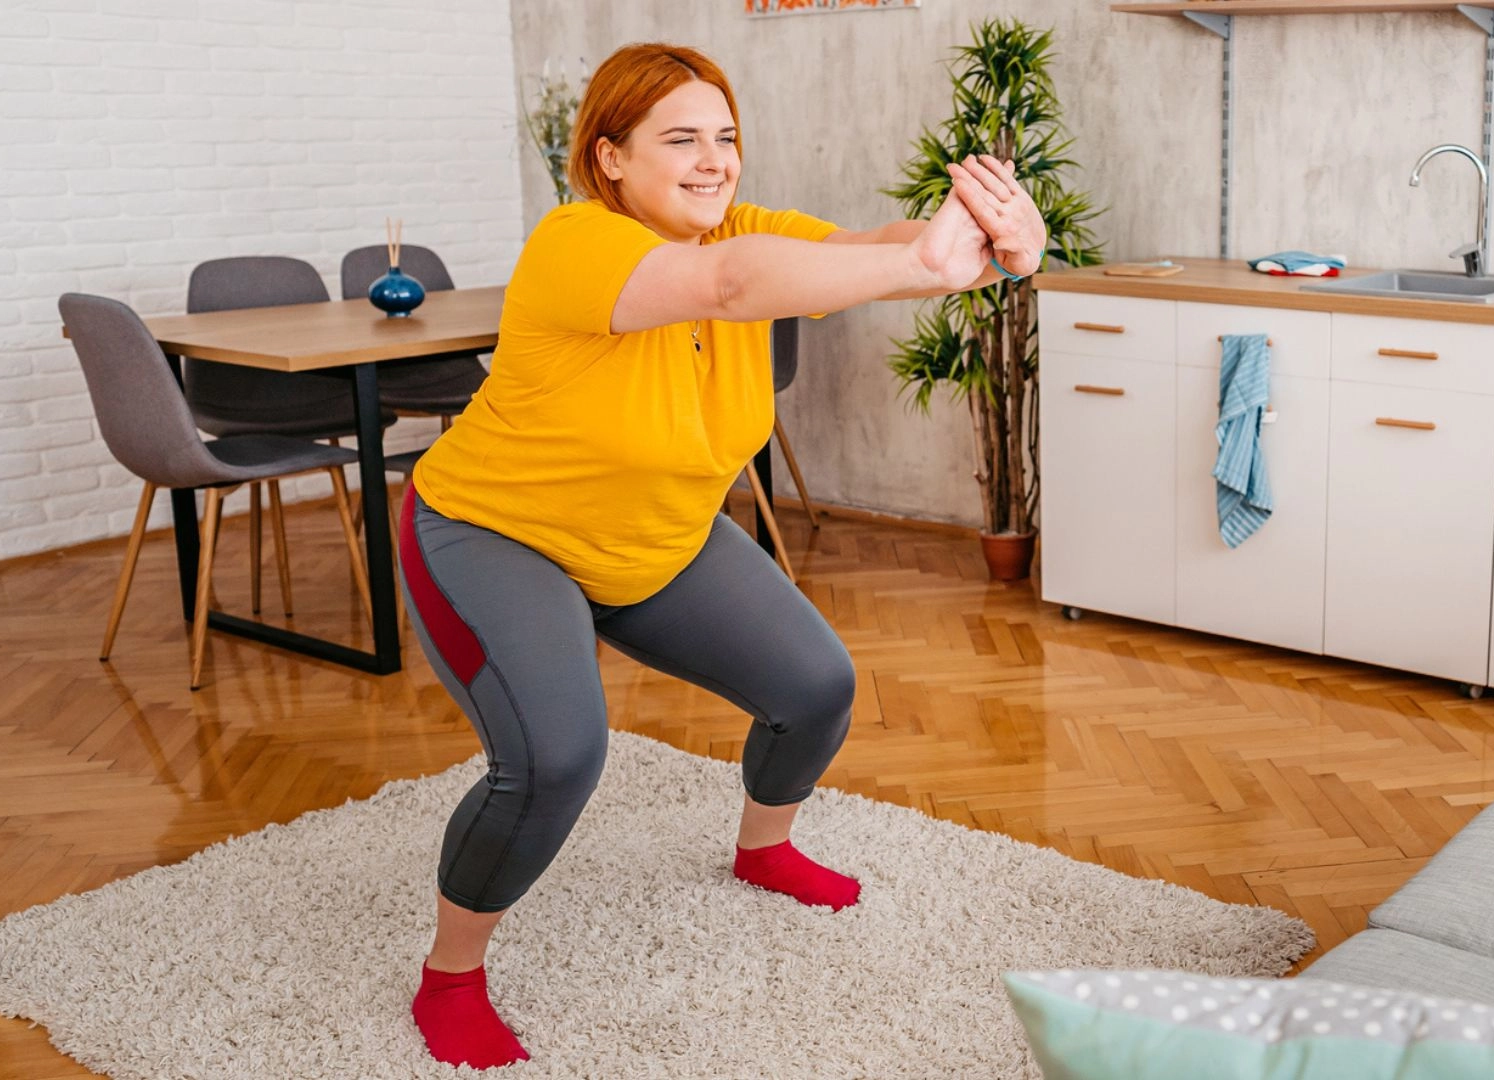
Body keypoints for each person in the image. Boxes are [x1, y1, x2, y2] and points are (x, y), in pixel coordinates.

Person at [398, 41, 1049, 1069]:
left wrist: (1000, 239)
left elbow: (869, 246)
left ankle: (765, 850)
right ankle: (450, 975)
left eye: (726, 137)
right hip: (497, 534)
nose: (714, 161)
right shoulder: (578, 241)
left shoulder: (749, 229)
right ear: (610, 158)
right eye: (681, 140)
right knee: (555, 758)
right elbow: (728, 286)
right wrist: (928, 262)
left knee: (815, 686)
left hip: (657, 537)